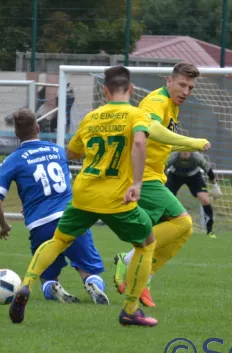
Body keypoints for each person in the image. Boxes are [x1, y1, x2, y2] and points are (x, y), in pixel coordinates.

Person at [8, 65, 159, 327]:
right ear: (131, 89)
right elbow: (138, 142)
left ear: (106, 90)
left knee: (58, 241)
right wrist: (136, 182)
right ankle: (131, 310)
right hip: (115, 197)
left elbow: (72, 151)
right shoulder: (138, 115)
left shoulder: (92, 118)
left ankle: (26, 285)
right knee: (147, 243)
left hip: (83, 194)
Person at [113, 62, 210, 307]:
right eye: (182, 85)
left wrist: (189, 145)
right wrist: (192, 141)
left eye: (190, 87)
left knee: (183, 230)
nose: (186, 91)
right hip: (141, 177)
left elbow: (163, 142)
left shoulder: (172, 107)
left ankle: (143, 278)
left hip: (154, 177)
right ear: (169, 81)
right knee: (183, 221)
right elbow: (153, 129)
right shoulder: (157, 101)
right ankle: (128, 259)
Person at [0, 108, 109, 305]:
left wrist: (4, 226)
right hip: (72, 217)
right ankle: (91, 283)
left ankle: (53, 287)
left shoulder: (12, 160)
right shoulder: (58, 151)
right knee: (89, 269)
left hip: (40, 224)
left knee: (47, 276)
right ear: (37, 128)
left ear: (16, 134)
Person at [165, 151, 222, 238]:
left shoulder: (197, 157)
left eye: (188, 149)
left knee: (205, 200)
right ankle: (163, 225)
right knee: (166, 199)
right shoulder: (173, 156)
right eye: (184, 149)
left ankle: (210, 231)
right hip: (174, 175)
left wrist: (215, 186)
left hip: (194, 176)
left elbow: (208, 170)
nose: (185, 152)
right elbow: (162, 168)